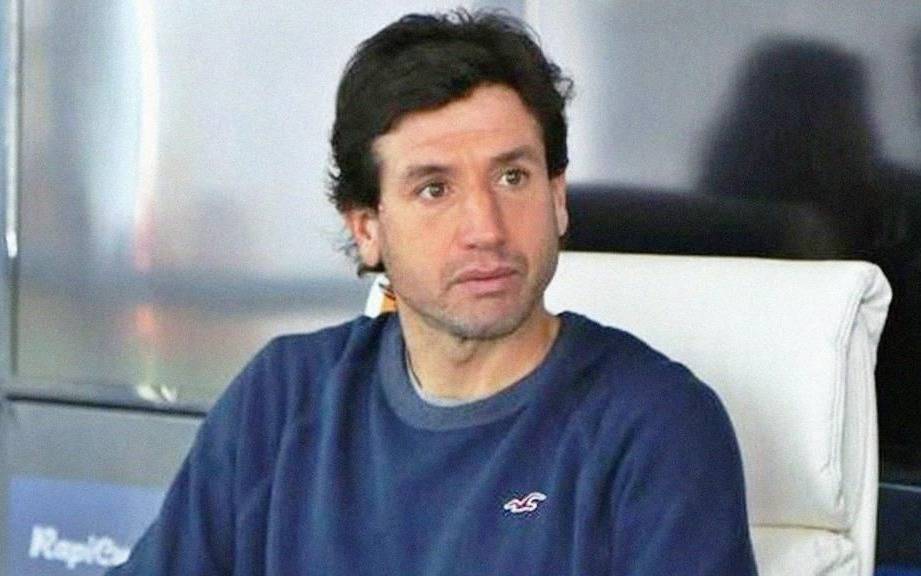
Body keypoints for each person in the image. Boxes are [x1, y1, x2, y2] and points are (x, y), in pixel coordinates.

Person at [109, 10, 757, 575]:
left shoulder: (655, 427)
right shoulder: (283, 399)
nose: (485, 228)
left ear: (557, 198)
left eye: (512, 177)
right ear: (367, 229)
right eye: (434, 189)